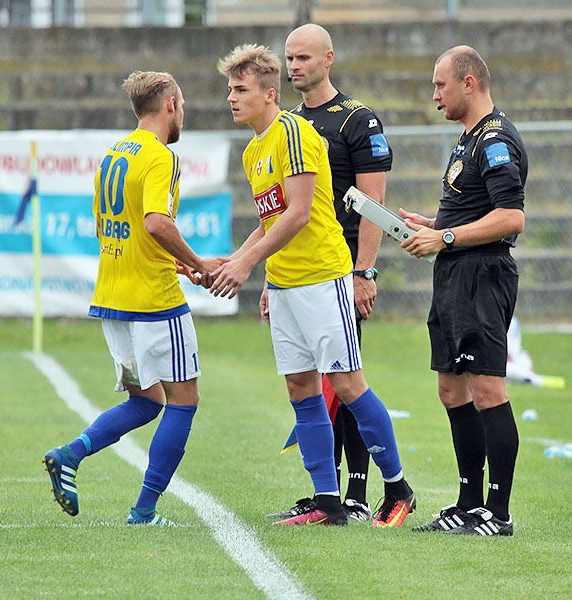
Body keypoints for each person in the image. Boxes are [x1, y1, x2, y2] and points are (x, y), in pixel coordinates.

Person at [212, 43, 415, 527]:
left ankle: (398, 489)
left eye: (240, 90)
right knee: (301, 388)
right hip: (284, 286)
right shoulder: (255, 149)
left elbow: (300, 214)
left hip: (323, 280)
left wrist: (244, 265)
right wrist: (239, 263)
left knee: (347, 385)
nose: (231, 99)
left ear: (268, 93)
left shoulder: (295, 133)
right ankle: (328, 503)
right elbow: (270, 221)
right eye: (229, 90)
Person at [42, 71, 219, 525]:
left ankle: (70, 454)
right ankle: (144, 511)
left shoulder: (114, 153)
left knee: (146, 401)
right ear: (171, 106)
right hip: (153, 301)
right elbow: (156, 223)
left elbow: (116, 225)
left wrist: (172, 261)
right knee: (184, 400)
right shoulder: (161, 156)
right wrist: (198, 264)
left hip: (114, 296)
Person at [263, 23, 394, 524]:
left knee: (344, 383)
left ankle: (357, 496)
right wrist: (274, 279)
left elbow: (373, 204)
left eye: (304, 58)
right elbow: (276, 211)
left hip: (338, 271)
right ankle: (329, 495)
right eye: (289, 58)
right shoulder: (288, 124)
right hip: (295, 276)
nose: (295, 65)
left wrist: (365, 272)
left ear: (329, 58)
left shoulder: (357, 120)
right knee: (311, 385)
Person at [399, 46, 526, 536]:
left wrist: (445, 236)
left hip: (481, 275)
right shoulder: (467, 139)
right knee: (450, 388)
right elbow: (474, 211)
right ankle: (468, 503)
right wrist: (432, 224)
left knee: (488, 389)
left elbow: (511, 217)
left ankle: (499, 513)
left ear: (469, 82)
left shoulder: (495, 139)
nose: (435, 96)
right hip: (454, 274)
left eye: (440, 85)